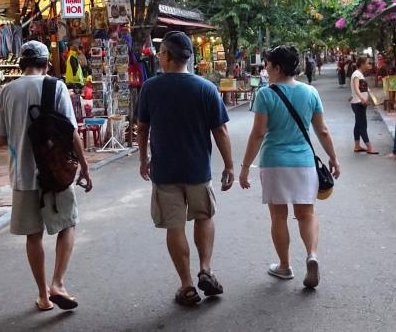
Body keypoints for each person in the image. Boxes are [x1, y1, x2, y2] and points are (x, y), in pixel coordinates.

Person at [0, 41, 92, 312]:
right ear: (46, 64)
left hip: (22, 175)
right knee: (67, 224)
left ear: (21, 65)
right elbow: (70, 132)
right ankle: (58, 282)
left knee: (33, 236)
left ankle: (43, 296)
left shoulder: (6, 92)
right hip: (56, 172)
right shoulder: (56, 87)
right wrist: (84, 166)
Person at [137, 31, 235, 307]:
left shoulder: (150, 88)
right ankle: (206, 268)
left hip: (165, 171)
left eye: (160, 54)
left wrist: (143, 158)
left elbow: (142, 128)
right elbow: (221, 131)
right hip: (198, 169)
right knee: (204, 216)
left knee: (174, 225)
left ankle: (187, 285)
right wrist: (229, 165)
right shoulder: (205, 88)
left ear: (167, 56)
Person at [240, 45, 340, 289]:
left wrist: (244, 167)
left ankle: (284, 266)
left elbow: (258, 134)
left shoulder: (265, 94)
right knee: (306, 214)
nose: (265, 69)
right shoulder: (310, 92)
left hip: (274, 162)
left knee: (278, 216)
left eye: (267, 64)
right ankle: (312, 255)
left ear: (276, 66)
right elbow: (322, 130)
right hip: (304, 162)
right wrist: (333, 158)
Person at [350, 56, 378, 154]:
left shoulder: (359, 74)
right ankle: (369, 147)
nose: (369, 65)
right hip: (359, 103)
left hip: (358, 102)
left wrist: (353, 96)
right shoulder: (357, 74)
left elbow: (357, 89)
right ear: (362, 64)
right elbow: (357, 88)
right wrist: (362, 99)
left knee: (358, 124)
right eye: (367, 63)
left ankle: (357, 146)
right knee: (362, 125)